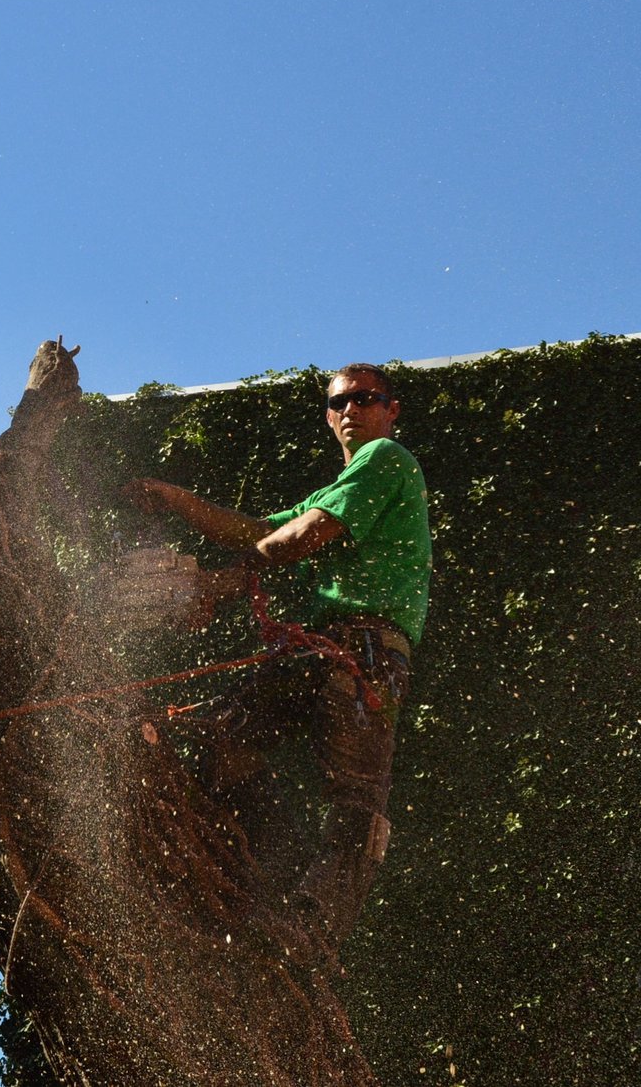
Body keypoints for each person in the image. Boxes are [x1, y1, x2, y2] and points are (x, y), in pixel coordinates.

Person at [126, 363, 432, 948]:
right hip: (323, 649)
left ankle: (314, 928)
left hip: (367, 654)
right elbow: (257, 531)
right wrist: (179, 501)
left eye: (366, 400)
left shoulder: (388, 460)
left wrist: (214, 588)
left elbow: (299, 540)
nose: (351, 411)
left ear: (391, 411)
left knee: (355, 801)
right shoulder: (338, 487)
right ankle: (275, 874)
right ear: (328, 416)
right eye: (340, 403)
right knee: (224, 734)